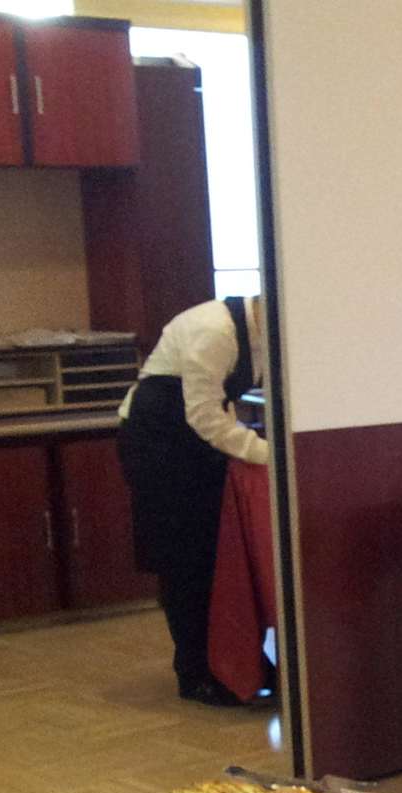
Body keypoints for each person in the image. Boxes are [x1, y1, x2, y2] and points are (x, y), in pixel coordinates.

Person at [116, 294, 269, 706]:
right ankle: (195, 673)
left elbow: (221, 404)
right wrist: (265, 454)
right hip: (157, 445)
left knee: (218, 557)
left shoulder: (257, 334)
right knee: (185, 562)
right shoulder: (214, 330)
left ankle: (236, 663)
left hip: (194, 446)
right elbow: (204, 414)